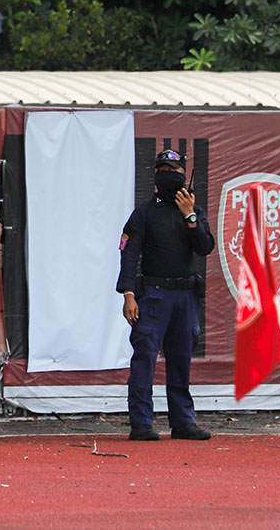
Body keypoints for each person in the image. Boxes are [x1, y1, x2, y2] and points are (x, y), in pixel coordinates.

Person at [117, 148, 215, 441]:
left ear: (184, 175)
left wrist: (189, 217)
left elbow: (205, 247)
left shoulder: (194, 211)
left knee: (181, 360)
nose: (169, 174)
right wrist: (128, 294)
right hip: (154, 296)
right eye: (164, 169)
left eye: (174, 170)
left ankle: (183, 421)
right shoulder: (144, 212)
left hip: (185, 296)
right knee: (145, 359)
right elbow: (128, 254)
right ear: (156, 175)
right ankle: (141, 422)